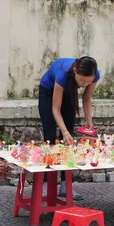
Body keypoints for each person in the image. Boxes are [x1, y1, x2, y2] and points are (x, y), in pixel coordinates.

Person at [38, 56, 100, 199]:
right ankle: (47, 185)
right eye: (82, 81)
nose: (84, 84)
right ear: (74, 71)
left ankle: (66, 186)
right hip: (48, 93)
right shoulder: (62, 73)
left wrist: (88, 119)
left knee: (68, 143)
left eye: (88, 82)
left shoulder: (95, 75)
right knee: (50, 139)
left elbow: (86, 97)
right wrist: (64, 132)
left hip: (68, 94)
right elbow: (55, 109)